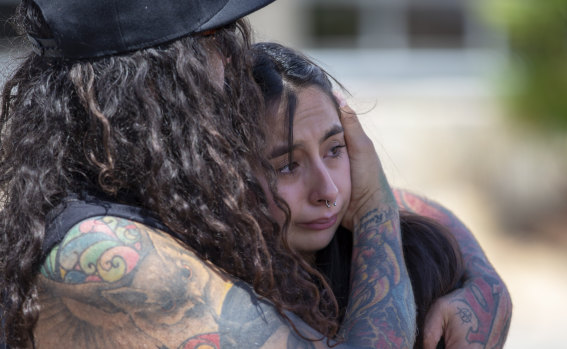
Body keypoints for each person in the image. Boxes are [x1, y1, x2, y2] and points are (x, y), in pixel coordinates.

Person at [0, 0, 417, 348]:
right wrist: (372, 211)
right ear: (151, 77)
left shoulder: (156, 192)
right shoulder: (101, 251)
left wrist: (470, 273)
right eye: (214, 39)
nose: (234, 58)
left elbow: (420, 207)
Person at [251, 42, 513, 349]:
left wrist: (485, 282)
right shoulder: (211, 296)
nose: (328, 191)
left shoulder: (421, 262)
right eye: (287, 166)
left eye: (335, 149)